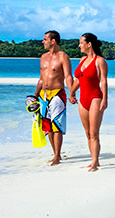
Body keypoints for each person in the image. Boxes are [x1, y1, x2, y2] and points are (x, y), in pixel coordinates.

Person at [69, 33, 108, 172]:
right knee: (87, 133)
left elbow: (103, 81)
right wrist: (72, 92)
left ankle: (95, 162)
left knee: (94, 132)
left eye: (81, 43)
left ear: (89, 44)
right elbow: (78, 79)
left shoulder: (100, 61)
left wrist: (105, 99)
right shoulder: (82, 60)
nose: (79, 45)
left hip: (95, 98)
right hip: (83, 99)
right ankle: (92, 159)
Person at [35, 30, 73, 166]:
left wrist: (72, 92)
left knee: (57, 125)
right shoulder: (43, 57)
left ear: (53, 41)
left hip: (57, 94)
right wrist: (34, 96)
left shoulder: (63, 57)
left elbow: (68, 76)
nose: (42, 42)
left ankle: (57, 155)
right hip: (43, 95)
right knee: (47, 127)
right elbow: (41, 79)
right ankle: (55, 153)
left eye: (45, 39)